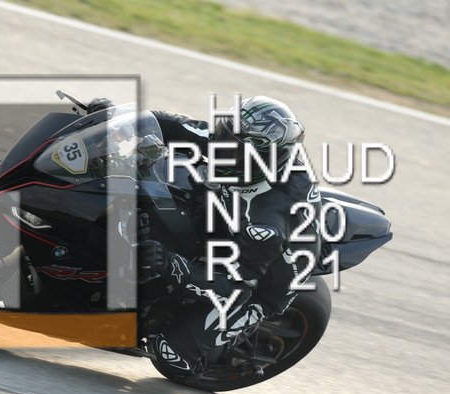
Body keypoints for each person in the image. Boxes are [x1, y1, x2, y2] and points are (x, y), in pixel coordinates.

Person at [88, 96, 322, 377]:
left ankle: (203, 339)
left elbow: (235, 287)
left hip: (255, 282)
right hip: (227, 221)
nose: (221, 147)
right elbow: (172, 125)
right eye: (225, 133)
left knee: (172, 356)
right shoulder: (238, 146)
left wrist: (172, 264)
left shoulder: (266, 224)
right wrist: (116, 117)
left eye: (234, 148)